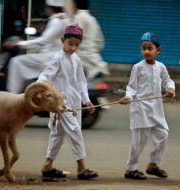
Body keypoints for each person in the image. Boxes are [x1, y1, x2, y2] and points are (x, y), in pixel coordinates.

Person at [37, 23, 98, 180]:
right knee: (75, 132)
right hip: (61, 104)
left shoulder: (76, 59)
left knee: (57, 135)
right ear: (62, 40)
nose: (73, 48)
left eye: (77, 45)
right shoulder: (57, 58)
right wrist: (41, 93)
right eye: (70, 44)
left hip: (75, 103)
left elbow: (81, 82)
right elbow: (44, 77)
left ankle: (47, 166)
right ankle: (82, 168)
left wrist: (86, 100)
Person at [119, 32, 175, 180]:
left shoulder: (161, 67)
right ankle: (131, 169)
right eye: (143, 48)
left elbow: (168, 81)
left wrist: (170, 89)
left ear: (158, 50)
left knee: (163, 133)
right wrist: (128, 97)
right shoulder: (137, 67)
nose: (146, 51)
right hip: (140, 108)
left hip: (156, 108)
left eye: (150, 48)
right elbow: (131, 87)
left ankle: (153, 165)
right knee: (138, 142)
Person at [5, 0, 66, 93]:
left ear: (50, 8)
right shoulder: (60, 19)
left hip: (50, 58)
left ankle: (12, 96)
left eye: (46, 7)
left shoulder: (56, 21)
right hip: (52, 56)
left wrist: (19, 44)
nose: (45, 9)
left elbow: (44, 41)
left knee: (16, 62)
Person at [65, 0, 110, 79]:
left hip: (85, 61)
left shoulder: (78, 18)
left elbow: (72, 38)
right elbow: (100, 42)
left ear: (74, 4)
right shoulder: (92, 19)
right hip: (95, 60)